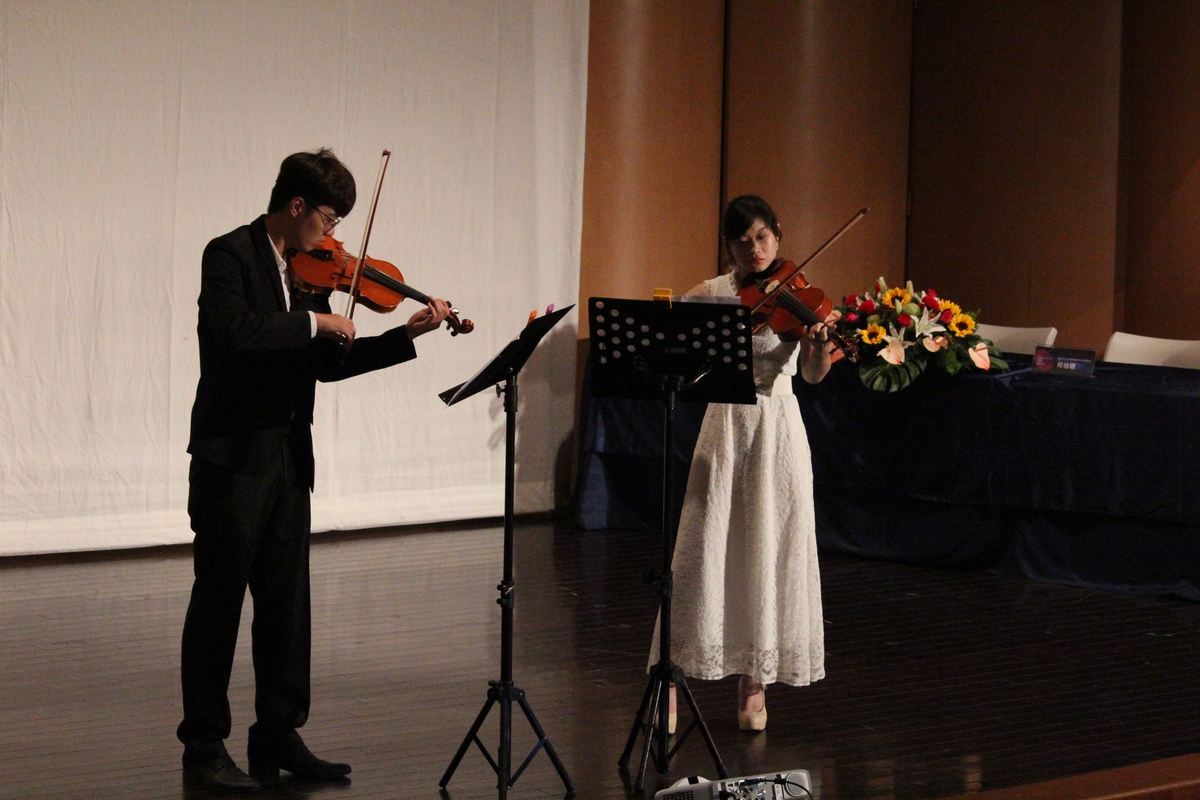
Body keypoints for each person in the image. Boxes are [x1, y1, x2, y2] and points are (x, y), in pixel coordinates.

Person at [178, 148, 450, 791]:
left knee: (285, 606)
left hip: (286, 459)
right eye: (328, 220)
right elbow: (240, 332)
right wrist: (315, 320)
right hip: (232, 458)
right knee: (217, 604)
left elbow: (326, 363)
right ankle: (203, 746)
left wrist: (403, 337)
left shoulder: (311, 277)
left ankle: (276, 732)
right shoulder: (228, 256)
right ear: (296, 207)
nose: (335, 239)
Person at [654, 194, 832, 732]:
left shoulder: (801, 296)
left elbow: (814, 376)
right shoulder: (711, 294)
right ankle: (671, 678)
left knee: (770, 550)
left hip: (779, 429)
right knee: (701, 550)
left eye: (761, 237)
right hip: (726, 425)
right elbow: (670, 338)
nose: (754, 249)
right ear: (729, 246)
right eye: (742, 241)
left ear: (777, 235)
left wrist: (821, 343)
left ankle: (755, 681)